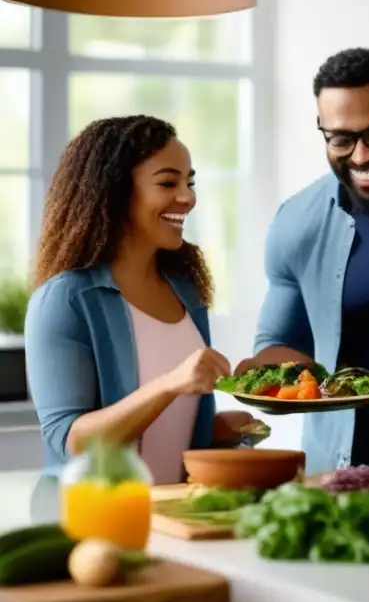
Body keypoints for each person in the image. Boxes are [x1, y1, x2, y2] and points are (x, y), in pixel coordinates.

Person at [25, 115, 255, 484]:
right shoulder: (65, 299)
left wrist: (218, 428)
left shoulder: (185, 288)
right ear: (114, 191)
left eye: (189, 182)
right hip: (98, 522)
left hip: (177, 514)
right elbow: (71, 439)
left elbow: (162, 430)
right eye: (168, 182)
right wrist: (170, 384)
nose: (188, 197)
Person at [235, 48, 369, 476]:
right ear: (322, 131)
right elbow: (278, 340)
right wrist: (265, 376)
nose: (361, 156)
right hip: (337, 472)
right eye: (341, 139)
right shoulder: (297, 221)